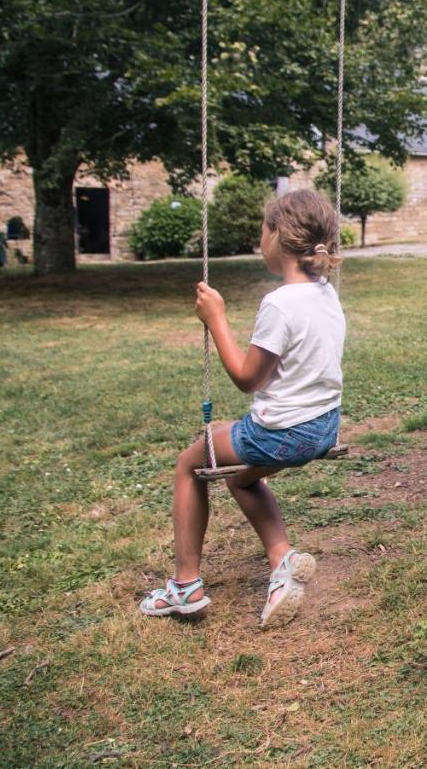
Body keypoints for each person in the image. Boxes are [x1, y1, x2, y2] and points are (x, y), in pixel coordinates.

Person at [140, 189, 345, 628]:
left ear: (277, 237)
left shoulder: (280, 303)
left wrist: (216, 320)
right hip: (323, 427)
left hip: (284, 432)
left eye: (262, 232)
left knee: (190, 463)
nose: (260, 241)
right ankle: (282, 559)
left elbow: (247, 378)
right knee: (242, 480)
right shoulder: (326, 294)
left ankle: (185, 586)